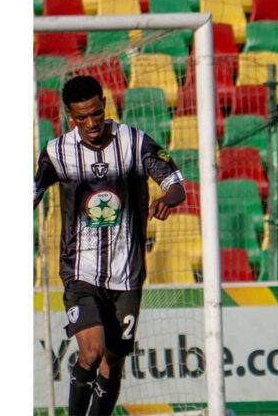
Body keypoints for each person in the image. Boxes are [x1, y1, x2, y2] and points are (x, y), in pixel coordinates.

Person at [33, 75, 186, 416]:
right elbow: (34, 191)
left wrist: (168, 198)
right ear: (70, 116)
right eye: (81, 118)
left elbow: (175, 183)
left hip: (127, 272)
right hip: (80, 269)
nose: (90, 124)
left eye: (96, 114)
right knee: (91, 351)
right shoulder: (57, 151)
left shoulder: (134, 142)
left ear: (104, 104)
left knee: (112, 363)